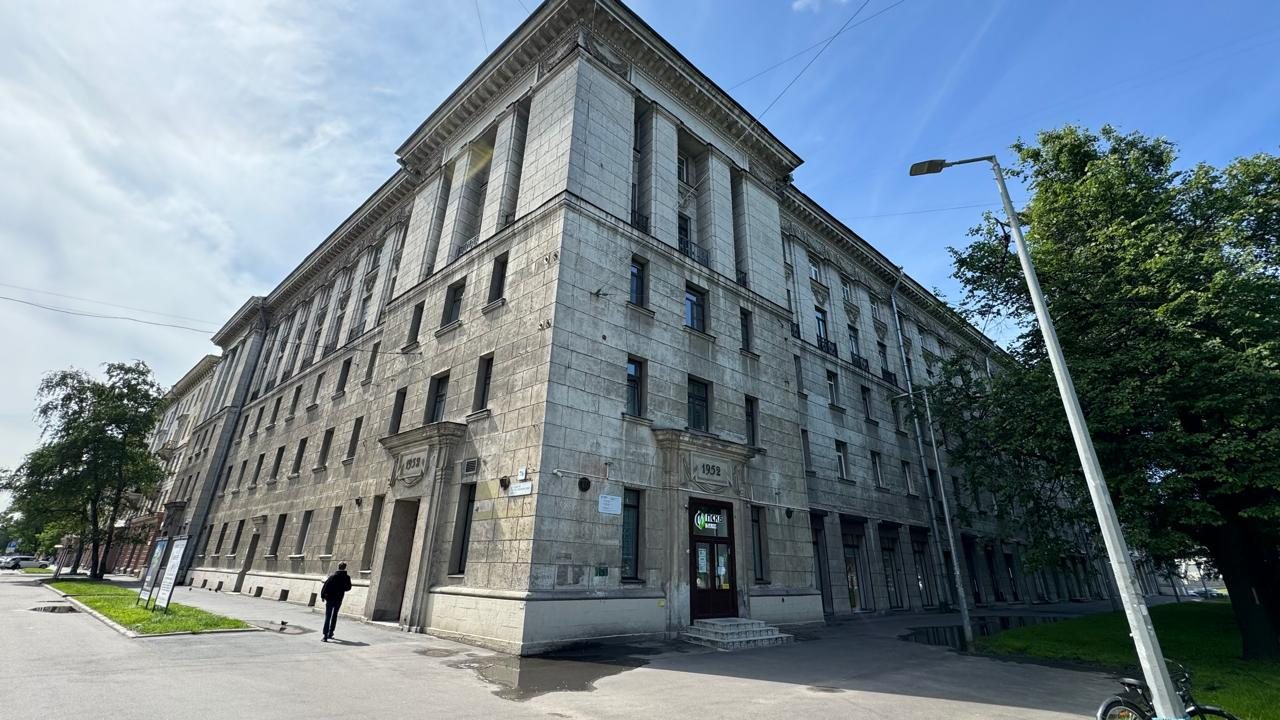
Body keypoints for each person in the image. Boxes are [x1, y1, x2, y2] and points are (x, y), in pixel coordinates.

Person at [320, 562, 352, 641]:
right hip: (339, 599)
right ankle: (331, 633)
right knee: (334, 616)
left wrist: (323, 596)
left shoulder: (333, 577)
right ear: (345, 567)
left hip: (330, 599)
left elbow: (325, 586)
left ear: (338, 567)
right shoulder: (347, 577)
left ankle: (325, 636)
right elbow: (348, 588)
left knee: (328, 617)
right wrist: (342, 588)